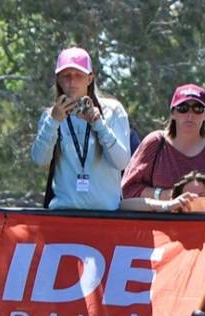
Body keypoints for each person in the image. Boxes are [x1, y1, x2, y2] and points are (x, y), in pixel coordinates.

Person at [32, 47, 131, 211]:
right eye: (66, 76)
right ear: (58, 80)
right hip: (63, 215)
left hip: (106, 217)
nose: (72, 82)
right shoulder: (50, 116)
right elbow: (40, 160)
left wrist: (99, 124)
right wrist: (53, 122)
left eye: (78, 75)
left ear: (90, 79)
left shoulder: (113, 110)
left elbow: (121, 162)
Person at [119, 84, 205, 212]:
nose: (190, 115)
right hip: (158, 229)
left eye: (198, 108)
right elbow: (129, 189)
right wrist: (168, 197)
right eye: (183, 108)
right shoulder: (155, 143)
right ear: (173, 113)